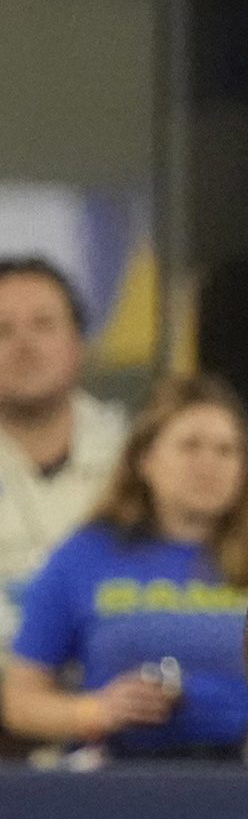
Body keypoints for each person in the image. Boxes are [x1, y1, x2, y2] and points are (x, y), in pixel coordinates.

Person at [4, 374, 248, 760]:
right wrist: (93, 712)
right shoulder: (83, 557)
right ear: (145, 459)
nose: (208, 464)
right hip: (116, 779)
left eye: (226, 451)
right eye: (190, 446)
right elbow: (19, 700)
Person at [0, 257, 126, 653]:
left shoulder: (138, 456)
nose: (24, 346)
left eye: (43, 325)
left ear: (79, 343)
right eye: (2, 330)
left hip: (113, 697)